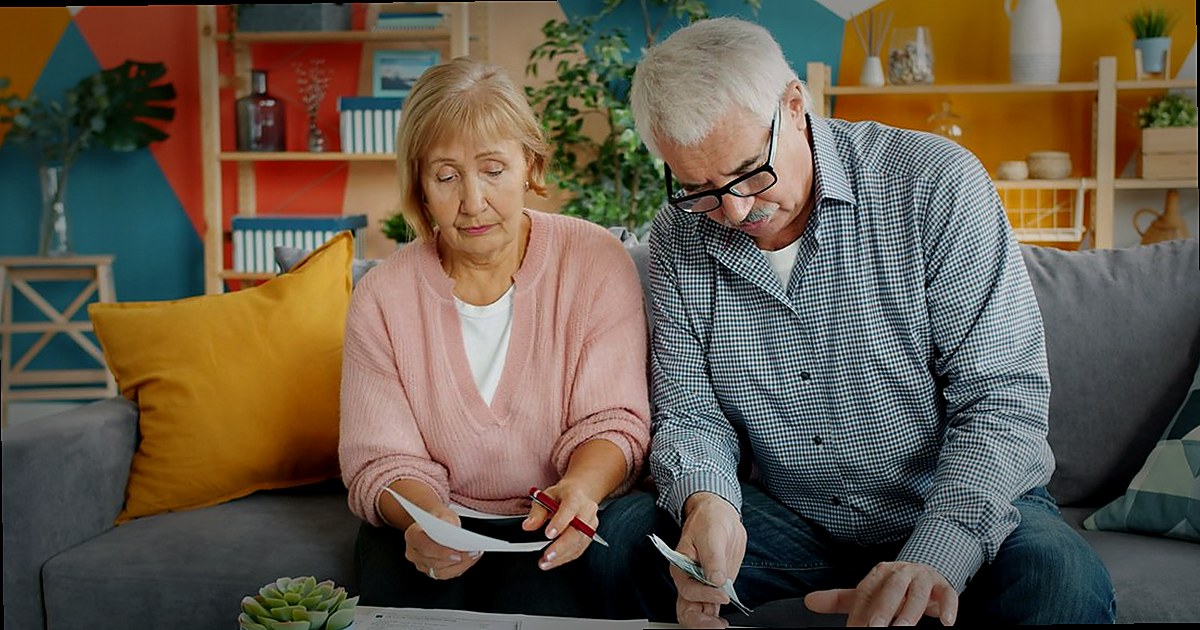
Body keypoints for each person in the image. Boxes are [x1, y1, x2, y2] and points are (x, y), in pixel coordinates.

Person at [593, 17, 1116, 627]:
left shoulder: (936, 184)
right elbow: (690, 408)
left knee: (1061, 586)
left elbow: (1002, 401)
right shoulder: (681, 234)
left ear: (793, 105)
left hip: (961, 509)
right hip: (797, 522)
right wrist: (708, 502)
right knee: (624, 541)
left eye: (746, 173)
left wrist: (936, 558)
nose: (734, 210)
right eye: (699, 188)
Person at [338, 57, 652, 618]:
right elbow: (380, 460)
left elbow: (614, 422)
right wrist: (427, 521)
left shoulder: (596, 262)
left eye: (493, 169)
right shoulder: (382, 297)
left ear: (529, 163)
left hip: (553, 520)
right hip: (431, 517)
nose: (473, 201)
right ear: (420, 184)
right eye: (446, 175)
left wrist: (579, 490)